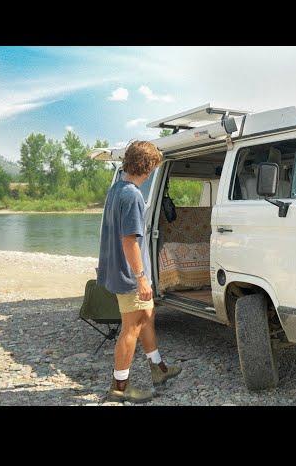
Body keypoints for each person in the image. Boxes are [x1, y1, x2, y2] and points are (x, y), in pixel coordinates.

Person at [97, 140, 181, 403]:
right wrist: (142, 278)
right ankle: (120, 389)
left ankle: (159, 369)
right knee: (130, 328)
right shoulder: (132, 194)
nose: (150, 174)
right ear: (146, 167)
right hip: (128, 275)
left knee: (147, 315)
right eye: (153, 168)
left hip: (116, 270)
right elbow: (129, 240)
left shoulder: (116, 189)